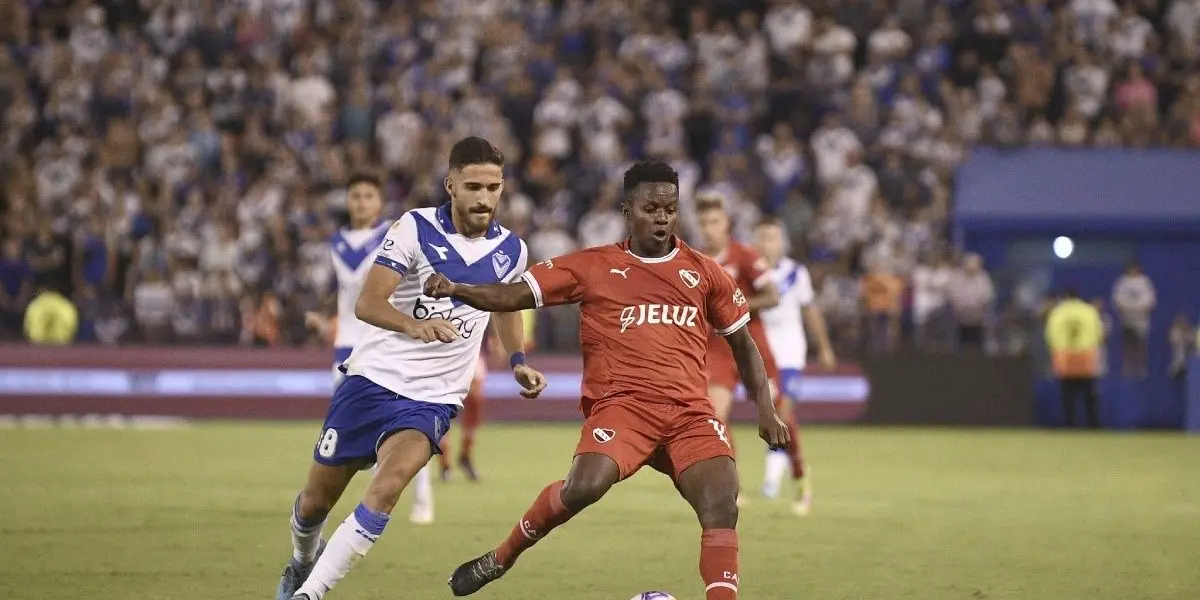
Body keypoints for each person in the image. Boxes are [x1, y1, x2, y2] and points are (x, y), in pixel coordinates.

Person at [428, 159, 790, 600]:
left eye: (669, 209)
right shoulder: (593, 266)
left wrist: (766, 409)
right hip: (623, 409)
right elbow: (513, 294)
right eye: (650, 208)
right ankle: (500, 558)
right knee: (583, 487)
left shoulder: (704, 272)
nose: (661, 218)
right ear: (626, 210)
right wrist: (457, 288)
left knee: (722, 502)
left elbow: (743, 344)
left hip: (690, 415)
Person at [276, 137, 548, 600]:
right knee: (314, 503)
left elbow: (505, 306)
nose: (484, 198)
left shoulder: (512, 250)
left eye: (494, 187)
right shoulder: (414, 229)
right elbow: (367, 303)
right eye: (473, 186)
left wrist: (518, 360)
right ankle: (302, 562)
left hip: (434, 397)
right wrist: (413, 326)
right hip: (372, 380)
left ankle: (311, 593)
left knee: (389, 486)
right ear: (451, 186)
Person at [302, 173, 438, 525]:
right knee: (345, 425)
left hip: (385, 340)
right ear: (347, 200)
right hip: (345, 344)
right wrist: (323, 315)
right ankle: (338, 496)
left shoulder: (394, 235)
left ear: (380, 202)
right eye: (356, 195)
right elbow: (343, 290)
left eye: (368, 196)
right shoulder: (336, 242)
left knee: (406, 425)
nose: (361, 202)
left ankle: (422, 498)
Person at [694, 191, 785, 502]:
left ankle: (798, 477)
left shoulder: (745, 255)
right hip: (717, 351)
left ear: (726, 223)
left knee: (779, 415)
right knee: (715, 417)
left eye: (714, 221)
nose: (709, 228)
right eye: (704, 222)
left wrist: (736, 305)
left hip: (752, 348)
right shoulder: (696, 260)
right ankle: (733, 488)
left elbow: (772, 296)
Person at [751, 218, 836, 516]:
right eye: (762, 237)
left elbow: (810, 311)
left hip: (790, 355)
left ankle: (776, 480)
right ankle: (787, 475)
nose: (767, 242)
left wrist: (824, 347)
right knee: (773, 417)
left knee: (782, 415)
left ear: (782, 241)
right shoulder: (751, 274)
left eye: (773, 237)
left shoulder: (796, 273)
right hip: (761, 356)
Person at [1045, 288, 1105, 429]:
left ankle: (1070, 425)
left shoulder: (1058, 311)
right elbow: (1099, 333)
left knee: (1068, 395)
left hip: (1065, 356)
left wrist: (1057, 351)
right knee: (1089, 394)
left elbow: (1050, 334)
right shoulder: (1089, 311)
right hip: (1085, 356)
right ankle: (1093, 424)